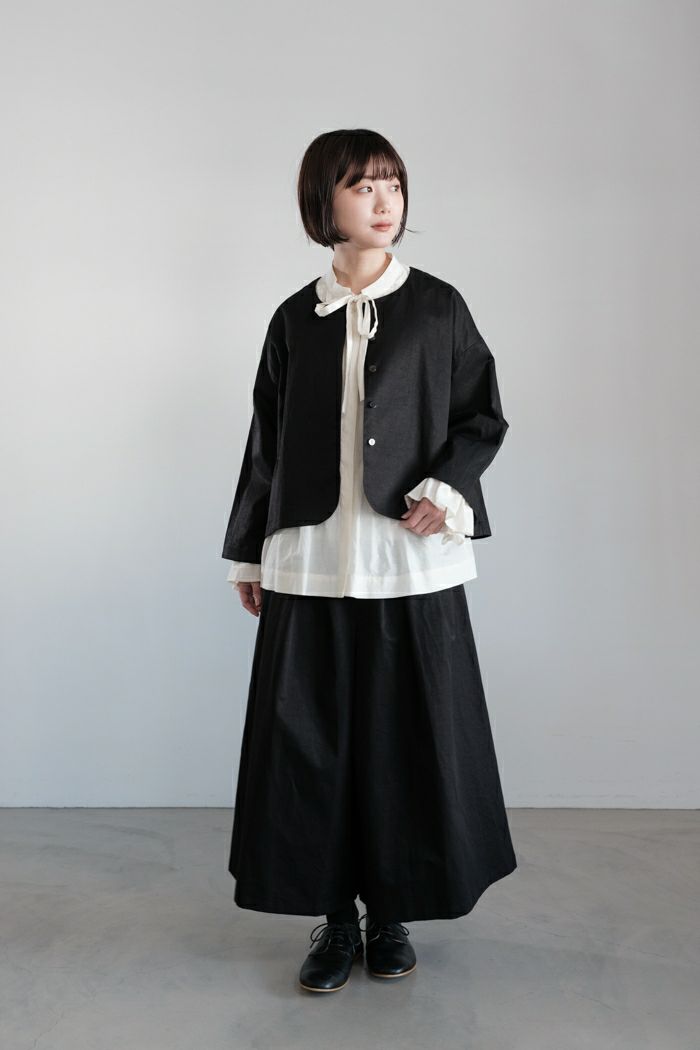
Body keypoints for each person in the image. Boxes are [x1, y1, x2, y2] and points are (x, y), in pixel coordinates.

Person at [221, 128, 518, 993]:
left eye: (393, 183)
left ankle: (391, 914)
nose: (385, 201)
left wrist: (446, 489)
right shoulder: (294, 318)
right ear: (325, 202)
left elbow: (482, 416)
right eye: (362, 186)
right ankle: (335, 920)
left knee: (405, 743)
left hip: (406, 561)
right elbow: (265, 443)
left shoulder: (438, 307)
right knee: (310, 745)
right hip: (310, 559)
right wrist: (248, 553)